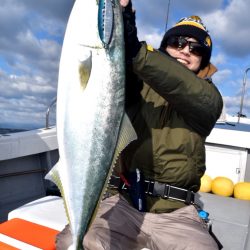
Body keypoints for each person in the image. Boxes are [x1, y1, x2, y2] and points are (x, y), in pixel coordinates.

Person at [56, 0, 223, 249]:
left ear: (203, 59)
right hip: (123, 201)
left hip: (177, 214)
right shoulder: (136, 85)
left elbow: (184, 88)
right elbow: (112, 69)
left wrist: (138, 51)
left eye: (196, 49)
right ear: (165, 47)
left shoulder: (208, 98)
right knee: (76, 241)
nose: (186, 51)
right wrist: (123, 19)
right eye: (178, 43)